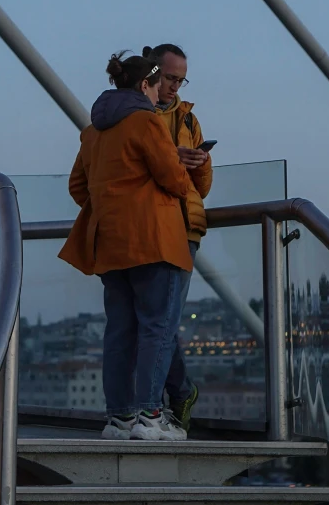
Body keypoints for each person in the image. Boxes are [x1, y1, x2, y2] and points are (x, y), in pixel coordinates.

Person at [58, 52, 193, 442]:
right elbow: (174, 181)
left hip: (110, 245)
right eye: (156, 88)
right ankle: (151, 417)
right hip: (154, 240)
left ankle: (119, 419)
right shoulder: (146, 123)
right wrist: (185, 165)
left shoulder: (93, 131)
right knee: (157, 328)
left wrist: (115, 204)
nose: (158, 96)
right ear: (144, 86)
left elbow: (78, 188)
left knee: (119, 331)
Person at [143, 44, 213, 432]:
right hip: (149, 224)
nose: (175, 86)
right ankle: (176, 394)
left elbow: (202, 187)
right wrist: (172, 159)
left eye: (181, 79)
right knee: (154, 323)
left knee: (159, 322)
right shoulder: (137, 115)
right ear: (153, 73)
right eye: (170, 78)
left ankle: (168, 399)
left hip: (183, 227)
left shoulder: (189, 120)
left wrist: (198, 162)